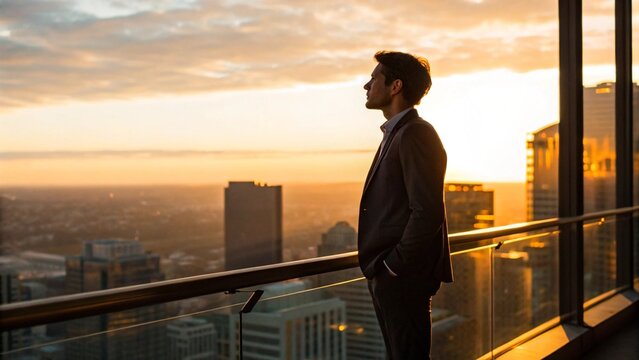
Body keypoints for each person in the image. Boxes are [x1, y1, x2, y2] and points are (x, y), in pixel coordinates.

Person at [358, 50, 453, 359]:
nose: (366, 86)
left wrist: (393, 267)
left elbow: (427, 212)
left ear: (395, 86)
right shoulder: (397, 133)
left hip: (403, 278)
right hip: (393, 276)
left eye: (374, 78)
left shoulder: (416, 134)